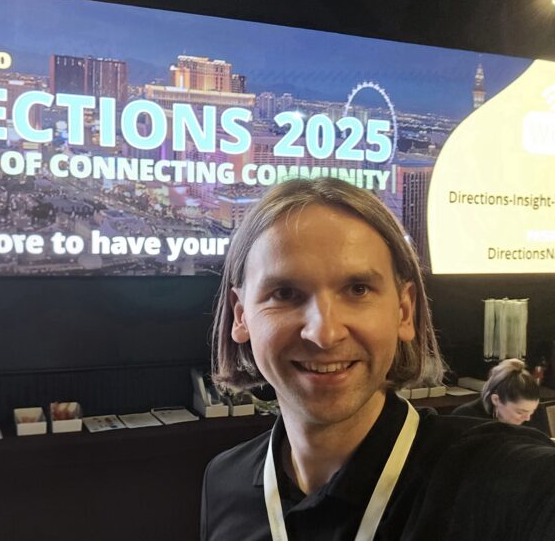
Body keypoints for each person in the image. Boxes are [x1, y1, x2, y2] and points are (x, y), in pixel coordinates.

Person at [200, 177, 555, 541]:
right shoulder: (224, 482)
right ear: (241, 316)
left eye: (358, 290)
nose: (325, 334)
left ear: (404, 311)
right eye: (285, 293)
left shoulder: (502, 481)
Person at [452, 358, 540, 425]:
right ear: (496, 400)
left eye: (531, 412)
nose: (527, 418)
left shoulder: (533, 417)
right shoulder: (465, 417)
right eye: (519, 412)